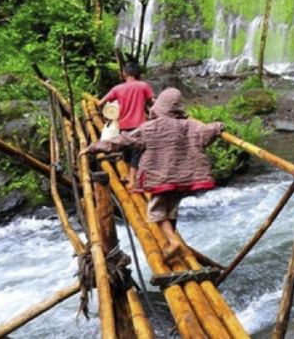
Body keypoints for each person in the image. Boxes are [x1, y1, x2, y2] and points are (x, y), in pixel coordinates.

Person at [81, 87, 224, 263]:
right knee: (171, 210)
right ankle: (169, 242)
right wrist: (218, 126)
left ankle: (172, 242)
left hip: (161, 178)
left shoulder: (149, 128)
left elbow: (123, 141)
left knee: (156, 211)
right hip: (184, 178)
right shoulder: (191, 126)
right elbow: (208, 132)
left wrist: (93, 147)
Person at [100, 62, 153, 191]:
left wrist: (108, 115)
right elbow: (152, 103)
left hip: (123, 126)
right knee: (137, 153)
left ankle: (130, 177)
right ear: (139, 74)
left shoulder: (117, 89)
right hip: (139, 125)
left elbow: (101, 102)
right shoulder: (143, 86)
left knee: (128, 152)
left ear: (124, 74)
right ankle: (134, 181)